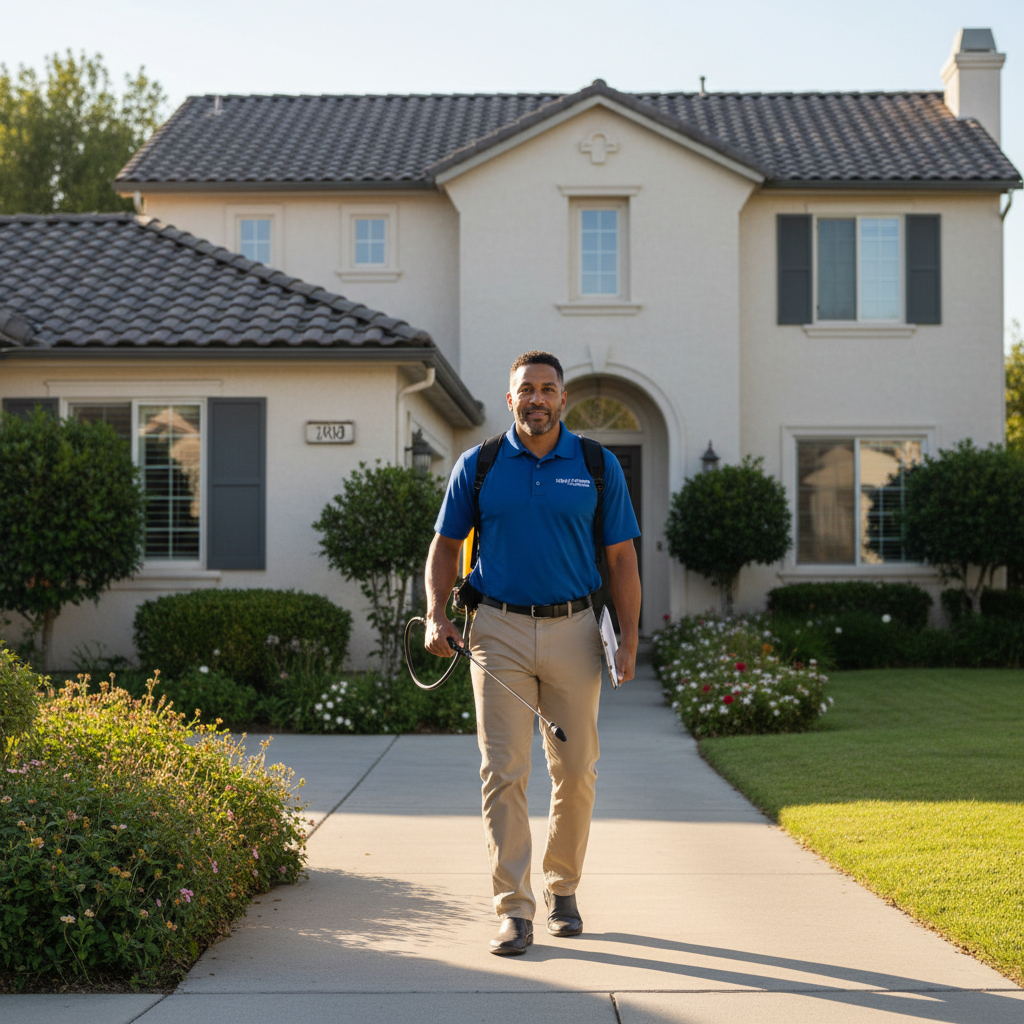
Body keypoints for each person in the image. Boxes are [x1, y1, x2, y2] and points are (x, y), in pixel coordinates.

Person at [424, 350, 641, 956]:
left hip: (575, 629)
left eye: (549, 389)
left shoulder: (597, 465)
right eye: (528, 390)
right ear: (511, 396)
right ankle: (513, 909)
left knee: (576, 770)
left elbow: (623, 559)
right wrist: (436, 615)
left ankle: (562, 887)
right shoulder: (481, 464)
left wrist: (629, 637)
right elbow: (444, 545)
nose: (538, 399)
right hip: (498, 631)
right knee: (504, 771)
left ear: (562, 400)